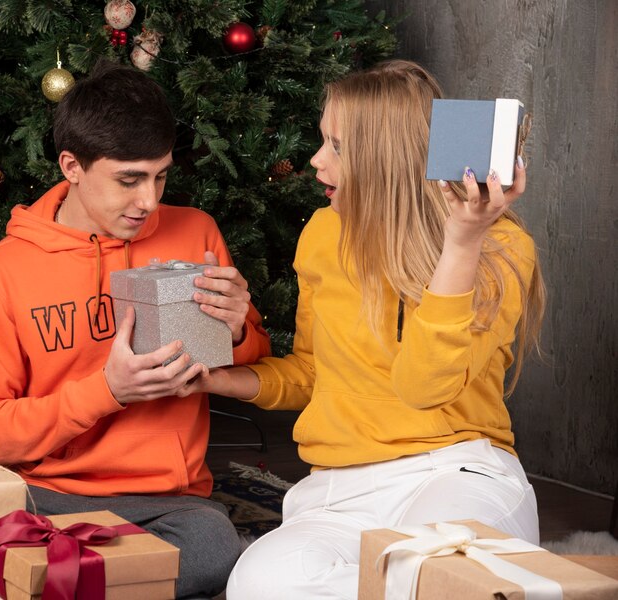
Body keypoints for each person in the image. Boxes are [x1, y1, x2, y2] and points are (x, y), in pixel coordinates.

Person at [178, 60, 546, 599]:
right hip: (339, 489)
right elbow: (311, 371)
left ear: (384, 159)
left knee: (438, 574)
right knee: (258, 585)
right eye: (323, 140)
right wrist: (218, 381)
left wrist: (461, 243)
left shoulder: (500, 248)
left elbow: (425, 388)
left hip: (456, 471)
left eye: (338, 146)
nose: (315, 159)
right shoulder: (323, 233)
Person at [0, 60, 272, 599]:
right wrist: (108, 392)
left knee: (215, 547)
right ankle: (89, 575)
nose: (148, 201)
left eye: (160, 175)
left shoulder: (196, 232)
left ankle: (55, 579)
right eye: (129, 179)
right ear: (72, 166)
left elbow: (253, 355)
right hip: (45, 493)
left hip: (169, 501)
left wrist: (239, 331)